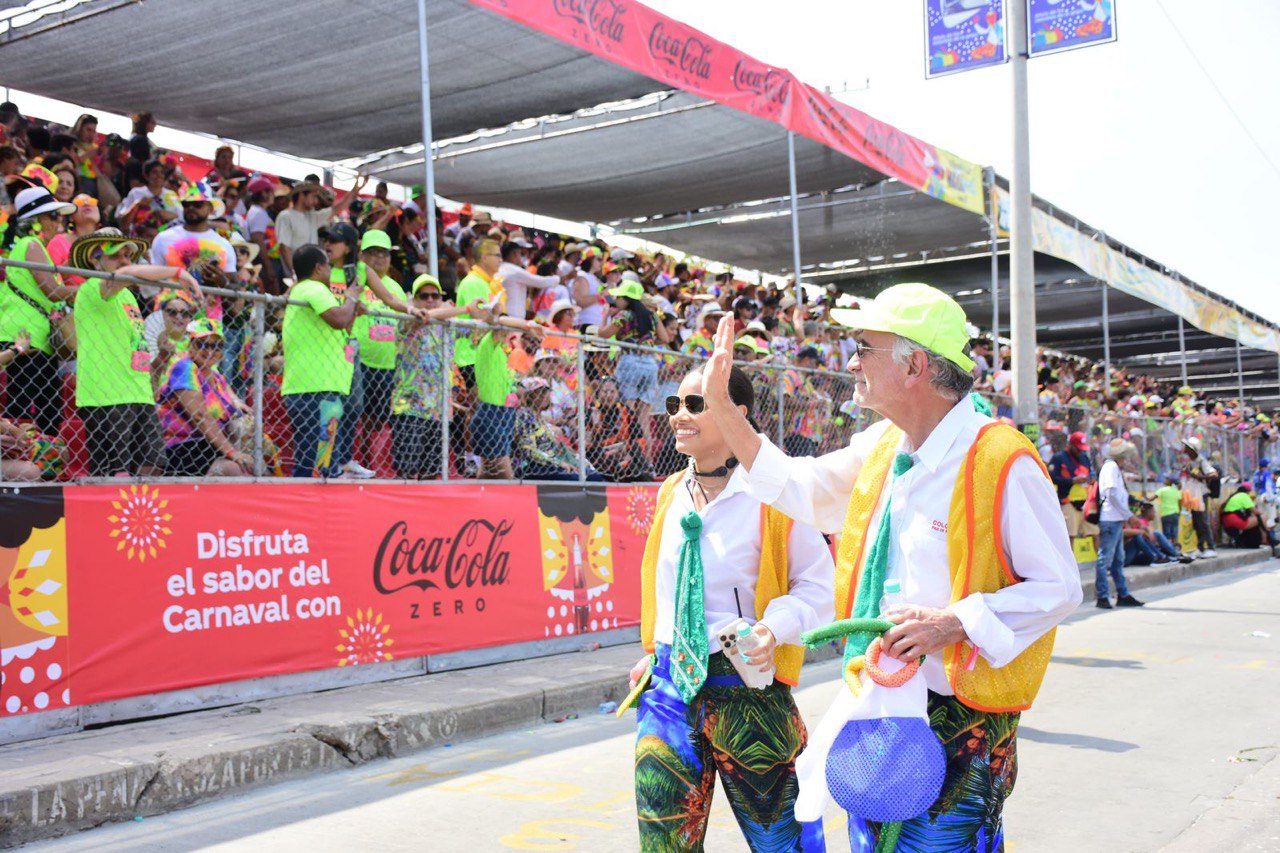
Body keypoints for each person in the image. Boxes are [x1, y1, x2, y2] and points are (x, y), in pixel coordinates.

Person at [697, 283, 1082, 849]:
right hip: (879, 702)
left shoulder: (1002, 459)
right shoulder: (882, 446)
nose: (852, 363)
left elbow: (1059, 587)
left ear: (915, 366)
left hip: (960, 716)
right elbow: (799, 486)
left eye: (863, 348)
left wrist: (954, 623)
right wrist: (724, 409)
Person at [623, 364, 834, 851]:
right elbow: (667, 589)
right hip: (668, 692)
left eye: (695, 404)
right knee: (664, 842)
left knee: (784, 840)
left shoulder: (775, 495)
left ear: (736, 413)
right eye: (674, 404)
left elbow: (819, 586)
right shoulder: (670, 493)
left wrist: (773, 629)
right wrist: (657, 650)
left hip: (746, 692)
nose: (679, 415)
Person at [71, 228, 202, 476]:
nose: (124, 261)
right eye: (115, 255)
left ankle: (138, 503)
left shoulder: (128, 296)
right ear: (95, 260)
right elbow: (125, 273)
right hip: (106, 395)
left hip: (138, 392)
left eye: (127, 255)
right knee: (116, 472)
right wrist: (177, 273)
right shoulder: (92, 287)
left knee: (154, 463)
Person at [0, 186, 78, 435]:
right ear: (36, 220)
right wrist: (85, 290)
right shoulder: (31, 244)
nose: (59, 221)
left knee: (41, 411)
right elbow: (52, 292)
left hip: (32, 336)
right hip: (26, 336)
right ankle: (27, 455)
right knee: (31, 412)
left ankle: (38, 454)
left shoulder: (33, 247)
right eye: (53, 215)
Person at [280, 245, 361, 478]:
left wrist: (352, 308)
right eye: (328, 265)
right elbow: (338, 319)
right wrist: (351, 297)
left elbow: (341, 325)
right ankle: (306, 501)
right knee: (320, 467)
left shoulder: (303, 289)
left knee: (314, 463)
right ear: (318, 268)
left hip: (314, 388)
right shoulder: (314, 288)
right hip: (316, 390)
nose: (331, 270)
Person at [389, 275, 477, 479]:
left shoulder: (448, 324)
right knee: (406, 471)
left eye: (435, 296)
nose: (430, 300)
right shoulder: (407, 319)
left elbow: (478, 326)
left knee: (431, 471)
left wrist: (489, 312)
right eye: (424, 296)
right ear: (413, 300)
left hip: (439, 409)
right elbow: (426, 316)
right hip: (410, 406)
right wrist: (465, 308)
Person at [156, 320, 254, 476]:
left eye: (216, 346)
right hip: (184, 447)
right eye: (202, 344)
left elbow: (229, 396)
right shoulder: (185, 367)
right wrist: (232, 452)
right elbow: (200, 416)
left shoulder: (217, 378)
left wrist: (238, 403)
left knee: (257, 465)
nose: (210, 351)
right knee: (235, 470)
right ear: (190, 346)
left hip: (211, 446)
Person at [599, 278, 670, 461]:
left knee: (628, 414)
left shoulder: (624, 315)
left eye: (619, 298)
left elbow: (603, 334)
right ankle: (647, 462)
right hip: (650, 364)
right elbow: (665, 338)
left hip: (630, 362)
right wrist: (646, 342)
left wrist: (605, 315)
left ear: (626, 299)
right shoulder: (652, 315)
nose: (616, 301)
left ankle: (630, 459)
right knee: (644, 418)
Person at [471, 313, 544, 480]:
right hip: (491, 412)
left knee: (489, 471)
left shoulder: (500, 351)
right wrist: (529, 325)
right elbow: (502, 320)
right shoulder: (488, 343)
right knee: (504, 473)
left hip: (503, 412)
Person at [275, 176, 366, 281]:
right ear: (302, 195)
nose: (316, 201)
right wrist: (294, 273)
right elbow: (284, 247)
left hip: (311, 275)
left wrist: (354, 191)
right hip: (293, 277)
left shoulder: (313, 217)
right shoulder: (286, 216)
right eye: (314, 196)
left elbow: (336, 209)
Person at [511, 377, 602, 481]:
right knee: (574, 478)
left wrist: (567, 460)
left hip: (549, 464)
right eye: (539, 393)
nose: (544, 396)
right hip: (530, 466)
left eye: (545, 392)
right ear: (529, 396)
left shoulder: (539, 418)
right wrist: (558, 463)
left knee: (594, 476)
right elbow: (528, 450)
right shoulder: (524, 415)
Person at [1095, 438, 1145, 608]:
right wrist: (1128, 515)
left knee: (1117, 560)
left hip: (1115, 519)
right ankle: (1102, 596)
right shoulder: (1111, 467)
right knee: (1105, 559)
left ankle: (1122, 594)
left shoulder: (1112, 467)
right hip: (1111, 519)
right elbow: (1112, 495)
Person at [1048, 429, 1098, 551]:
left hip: (1085, 503)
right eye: (1078, 448)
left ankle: (1102, 562)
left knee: (1095, 532)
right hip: (1068, 502)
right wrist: (1071, 481)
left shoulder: (1084, 458)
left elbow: (1091, 473)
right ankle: (1069, 563)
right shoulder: (1059, 458)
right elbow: (1052, 478)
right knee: (1070, 535)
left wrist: (1091, 479)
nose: (1080, 451)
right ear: (1070, 445)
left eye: (1082, 449)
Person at [1179, 437, 1219, 557]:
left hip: (1201, 494)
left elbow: (1214, 474)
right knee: (1196, 522)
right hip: (1192, 495)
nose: (1185, 449)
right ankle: (1200, 547)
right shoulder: (1189, 461)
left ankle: (1211, 547)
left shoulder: (1201, 461)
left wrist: (1200, 477)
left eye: (1187, 447)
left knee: (1203, 521)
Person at [1220, 483, 1275, 550]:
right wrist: (1266, 517)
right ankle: (1264, 540)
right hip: (1235, 520)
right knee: (1263, 517)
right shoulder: (1244, 496)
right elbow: (1255, 512)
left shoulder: (1235, 495)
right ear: (1249, 491)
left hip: (1226, 520)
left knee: (1257, 519)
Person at [1154, 472, 1185, 546]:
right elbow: (1180, 503)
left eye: (1166, 479)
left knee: (1167, 535)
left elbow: (1152, 497)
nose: (1164, 480)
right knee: (1174, 534)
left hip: (1166, 514)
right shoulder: (1177, 491)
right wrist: (1179, 512)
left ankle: (1169, 549)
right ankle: (1175, 548)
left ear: (1169, 481)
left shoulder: (1162, 490)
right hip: (1175, 514)